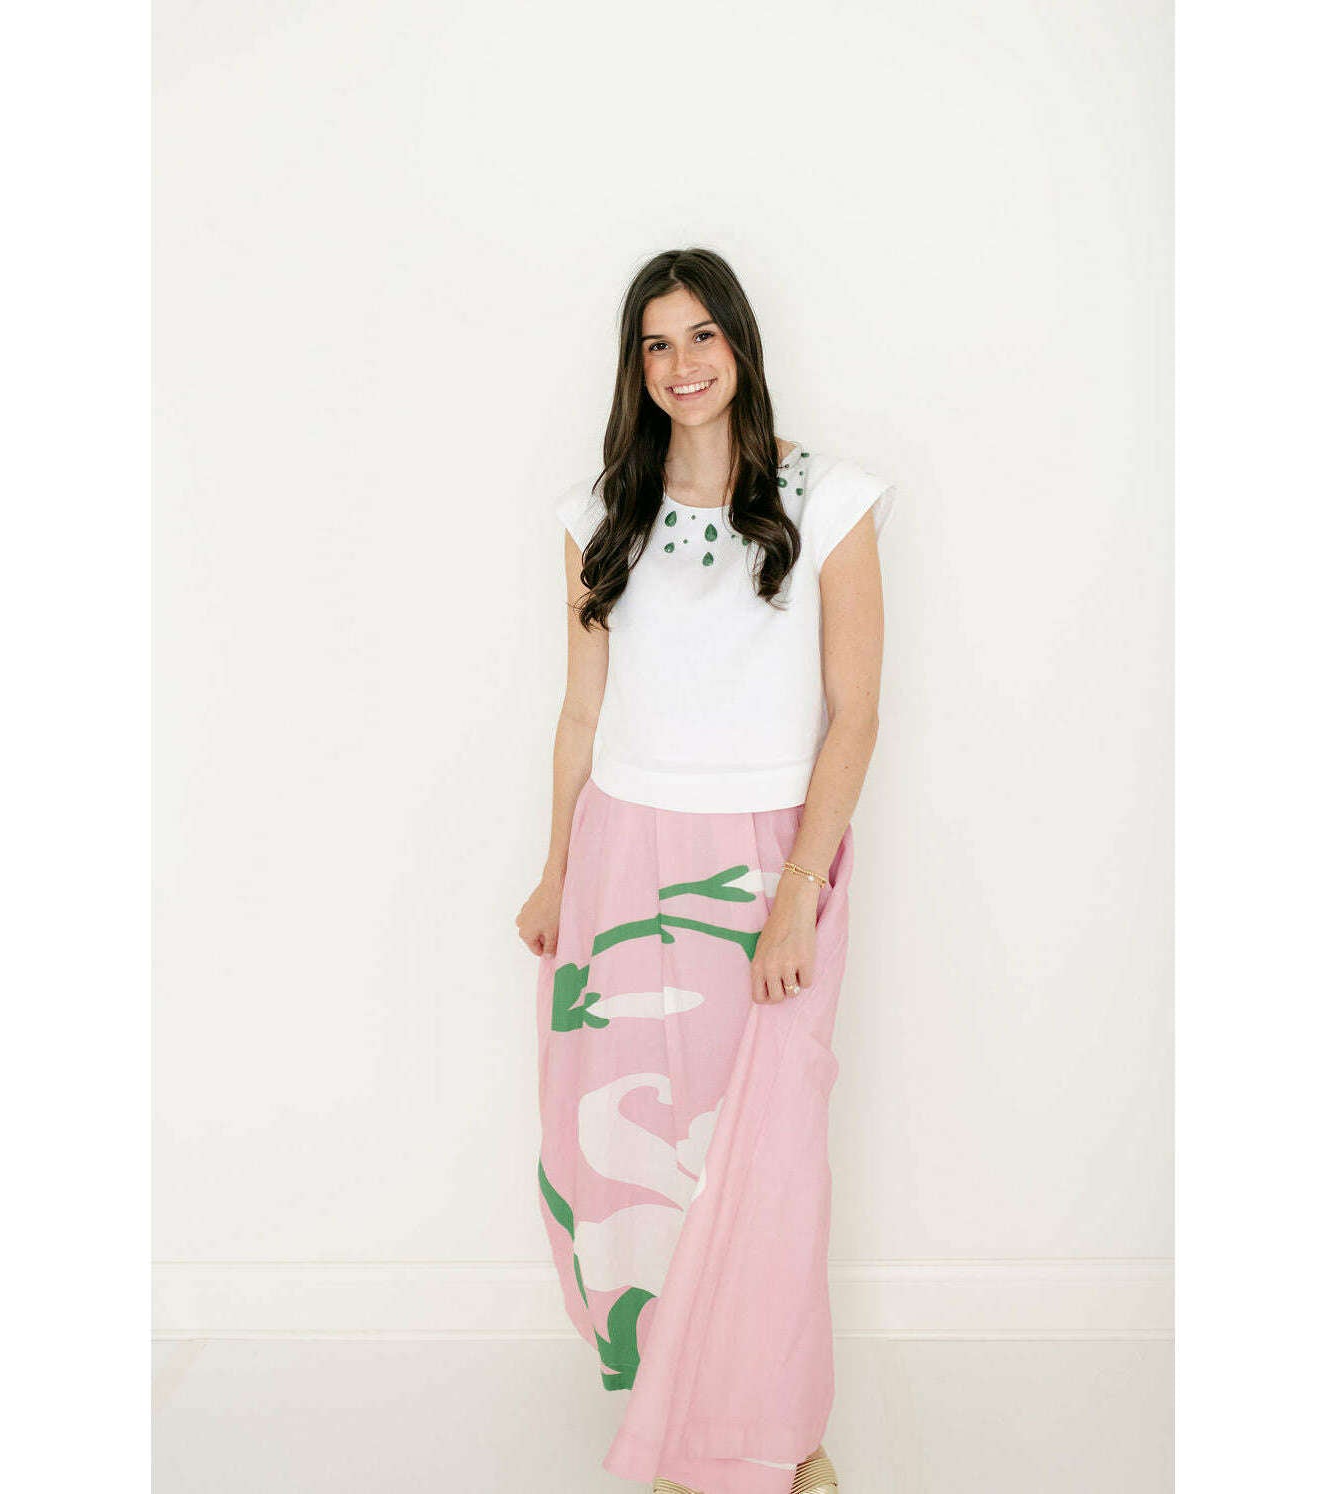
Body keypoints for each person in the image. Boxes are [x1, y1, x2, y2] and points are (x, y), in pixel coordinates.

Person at [516, 247, 895, 1494]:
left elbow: (855, 715)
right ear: (636, 366)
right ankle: (680, 1434)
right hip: (625, 860)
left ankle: (775, 1436)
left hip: (770, 864)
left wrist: (799, 894)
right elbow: (582, 713)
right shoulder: (598, 517)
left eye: (701, 336)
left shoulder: (826, 500)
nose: (681, 365)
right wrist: (556, 871)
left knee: (767, 1165)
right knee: (636, 1167)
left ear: (739, 342)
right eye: (655, 344)